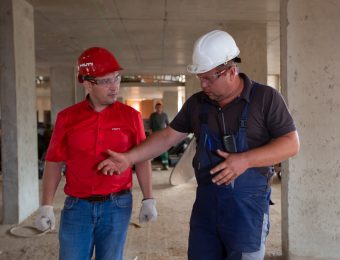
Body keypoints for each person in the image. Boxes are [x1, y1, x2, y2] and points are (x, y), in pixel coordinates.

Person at [98, 30, 300, 259]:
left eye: (208, 78)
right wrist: (129, 158)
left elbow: (291, 144)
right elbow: (167, 137)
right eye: (200, 78)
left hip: (247, 209)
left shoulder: (265, 99)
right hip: (207, 205)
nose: (202, 84)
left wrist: (245, 160)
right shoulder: (197, 104)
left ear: (231, 71)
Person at [35, 47, 157, 260]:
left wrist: (149, 198)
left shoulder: (131, 117)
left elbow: (143, 159)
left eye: (117, 78)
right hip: (77, 207)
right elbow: (54, 162)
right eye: (106, 81)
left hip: (117, 206)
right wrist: (46, 205)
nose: (115, 86)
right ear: (88, 83)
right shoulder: (67, 118)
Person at [149, 102, 170, 170]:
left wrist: (168, 133)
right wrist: (150, 133)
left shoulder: (164, 115)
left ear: (162, 108)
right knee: (153, 149)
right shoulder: (152, 115)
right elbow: (150, 126)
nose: (159, 109)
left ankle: (165, 164)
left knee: (164, 149)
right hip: (155, 134)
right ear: (155, 108)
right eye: (157, 107)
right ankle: (150, 164)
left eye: (160, 107)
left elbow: (168, 124)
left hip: (163, 134)